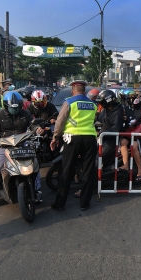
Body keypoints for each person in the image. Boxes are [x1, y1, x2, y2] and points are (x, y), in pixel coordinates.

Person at [50, 80, 98, 212]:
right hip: (90, 138)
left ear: (73, 91)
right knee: (88, 170)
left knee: (67, 170)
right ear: (84, 91)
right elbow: (93, 120)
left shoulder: (70, 102)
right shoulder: (93, 104)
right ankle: (84, 203)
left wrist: (55, 138)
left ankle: (60, 204)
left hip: (72, 139)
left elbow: (60, 121)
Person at [0, 91, 35, 209]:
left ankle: (37, 190)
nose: (15, 110)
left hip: (22, 144)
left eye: (17, 107)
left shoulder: (26, 113)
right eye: (12, 108)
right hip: (3, 144)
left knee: (33, 166)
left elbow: (33, 125)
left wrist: (37, 129)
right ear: (6, 105)